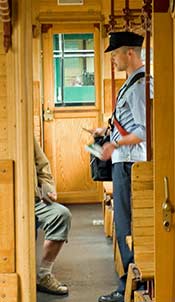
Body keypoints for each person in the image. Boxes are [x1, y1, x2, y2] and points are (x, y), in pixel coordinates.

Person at [94, 32, 153, 302]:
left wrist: (114, 146)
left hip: (130, 164)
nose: (114, 59)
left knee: (127, 226)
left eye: (116, 53)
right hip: (125, 161)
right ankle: (129, 283)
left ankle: (131, 287)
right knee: (124, 223)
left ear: (129, 53)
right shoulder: (131, 83)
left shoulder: (140, 85)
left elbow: (144, 130)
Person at [34, 136, 72, 296]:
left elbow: (42, 166)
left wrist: (47, 189)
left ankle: (44, 275)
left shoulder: (23, 131)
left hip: (32, 201)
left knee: (61, 214)